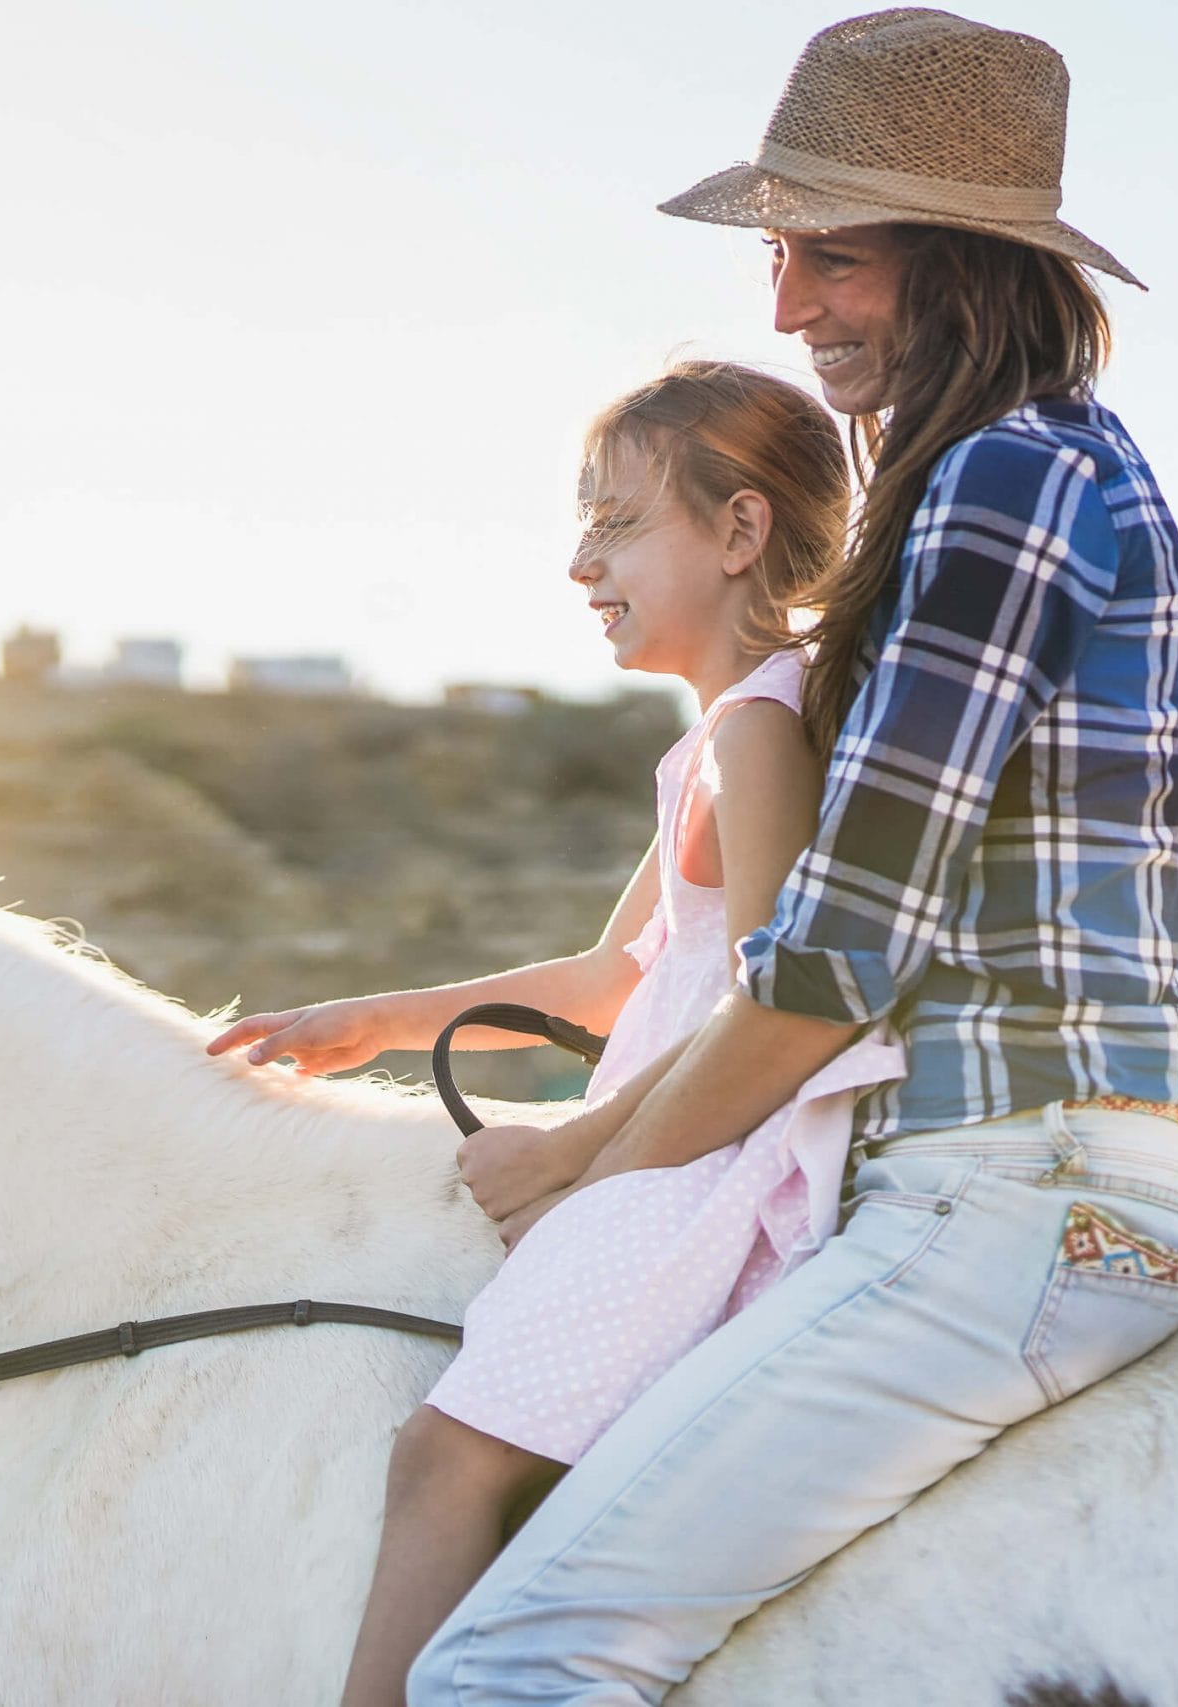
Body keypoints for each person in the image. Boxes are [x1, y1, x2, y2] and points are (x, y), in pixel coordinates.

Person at [397, 11, 1178, 1700]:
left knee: (507, 1666)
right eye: (783, 257)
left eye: (833, 257)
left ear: (968, 264)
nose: (788, 309)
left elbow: (837, 962)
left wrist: (580, 1173)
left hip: (1015, 1190)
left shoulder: (1005, 480)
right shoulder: (1032, 472)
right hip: (1057, 1174)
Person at [210, 360, 905, 1707]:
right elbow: (614, 975)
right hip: (661, 1144)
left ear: (741, 531)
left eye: (617, 524)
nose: (582, 563)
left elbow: (776, 993)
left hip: (698, 1166)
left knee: (444, 1460)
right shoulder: (719, 738)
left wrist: (575, 1156)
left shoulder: (763, 729)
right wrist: (380, 1022)